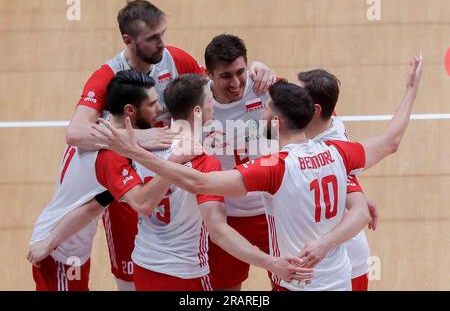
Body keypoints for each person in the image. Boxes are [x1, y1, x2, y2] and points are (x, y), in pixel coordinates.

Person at [91, 55, 423, 290]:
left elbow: (199, 180)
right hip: (338, 278)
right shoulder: (337, 150)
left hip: (296, 280)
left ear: (277, 121)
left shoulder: (274, 167)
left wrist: (134, 151)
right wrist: (411, 90)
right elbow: (390, 142)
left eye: (265, 108)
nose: (258, 109)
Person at [29, 71, 313, 291]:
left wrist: (50, 239)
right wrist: (270, 263)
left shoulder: (142, 151)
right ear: (199, 112)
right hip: (186, 271)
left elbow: (97, 203)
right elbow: (218, 231)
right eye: (211, 100)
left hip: (145, 266)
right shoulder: (205, 161)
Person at [64, 0, 276, 290]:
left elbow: (217, 79)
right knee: (127, 274)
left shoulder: (174, 59)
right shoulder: (107, 76)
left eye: (162, 34)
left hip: (175, 172)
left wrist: (257, 70)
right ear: (129, 40)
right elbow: (75, 133)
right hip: (134, 174)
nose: (162, 43)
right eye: (153, 38)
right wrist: (138, 138)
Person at [27, 71, 188, 290]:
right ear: (129, 110)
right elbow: (91, 209)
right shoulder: (112, 157)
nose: (159, 109)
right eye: (151, 104)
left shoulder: (93, 131)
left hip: (69, 243)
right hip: (59, 248)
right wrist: (49, 243)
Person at [202, 34, 273, 290]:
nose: (235, 82)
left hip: (272, 210)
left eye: (240, 72)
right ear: (209, 74)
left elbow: (316, 112)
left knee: (292, 281)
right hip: (226, 218)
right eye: (225, 76)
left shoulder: (265, 88)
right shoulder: (198, 104)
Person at [298, 69, 373, 290]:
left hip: (347, 258)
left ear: (315, 109)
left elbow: (390, 143)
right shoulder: (330, 118)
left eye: (299, 95)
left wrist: (410, 91)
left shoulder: (328, 151)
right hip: (327, 256)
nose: (294, 97)